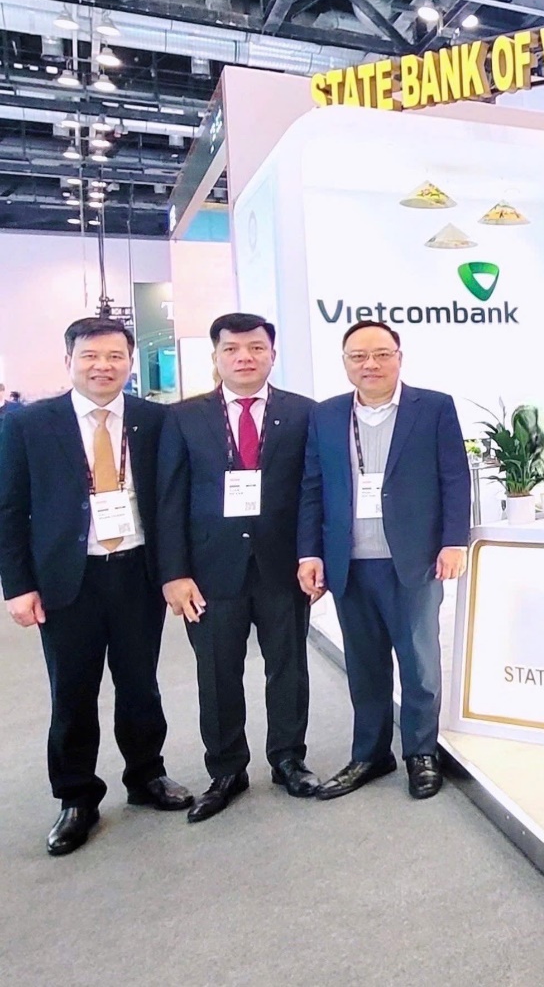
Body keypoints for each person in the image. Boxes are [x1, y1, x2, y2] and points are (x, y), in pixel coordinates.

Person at [0, 318, 192, 856]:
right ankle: (76, 796)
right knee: (73, 691)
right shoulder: (29, 424)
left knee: (140, 683)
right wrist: (17, 585)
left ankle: (147, 775)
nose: (102, 366)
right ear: (69, 361)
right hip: (68, 579)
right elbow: (9, 509)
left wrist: (174, 571)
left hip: (136, 572)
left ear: (130, 362)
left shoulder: (156, 420)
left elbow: (170, 501)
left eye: (114, 356)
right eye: (89, 356)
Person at [156, 313, 320, 823]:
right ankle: (227, 770)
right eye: (231, 349)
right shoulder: (183, 418)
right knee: (216, 673)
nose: (244, 357)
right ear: (216, 357)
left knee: (288, 667)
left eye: (255, 347)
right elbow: (169, 500)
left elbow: (312, 492)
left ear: (273, 354)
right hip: (209, 572)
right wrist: (174, 573)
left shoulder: (303, 413)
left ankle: (288, 758)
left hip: (281, 566)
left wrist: (312, 554)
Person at [297, 320, 470, 801]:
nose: (369, 364)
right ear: (345, 362)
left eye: (380, 354)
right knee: (364, 665)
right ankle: (371, 753)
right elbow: (312, 487)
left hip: (412, 559)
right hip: (349, 562)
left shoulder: (433, 407)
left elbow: (455, 478)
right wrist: (310, 552)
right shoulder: (327, 414)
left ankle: (421, 752)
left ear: (399, 357)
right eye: (358, 356)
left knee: (419, 664)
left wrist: (454, 541)